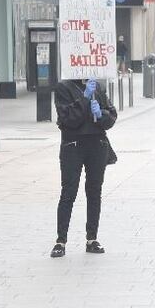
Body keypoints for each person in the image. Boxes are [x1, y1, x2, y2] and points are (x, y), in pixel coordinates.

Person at [50, 78, 118, 258]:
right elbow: (68, 119)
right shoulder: (64, 88)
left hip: (96, 144)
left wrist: (101, 114)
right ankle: (61, 240)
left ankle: (92, 238)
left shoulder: (98, 86)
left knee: (94, 191)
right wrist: (85, 99)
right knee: (68, 191)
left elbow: (111, 117)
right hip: (73, 145)